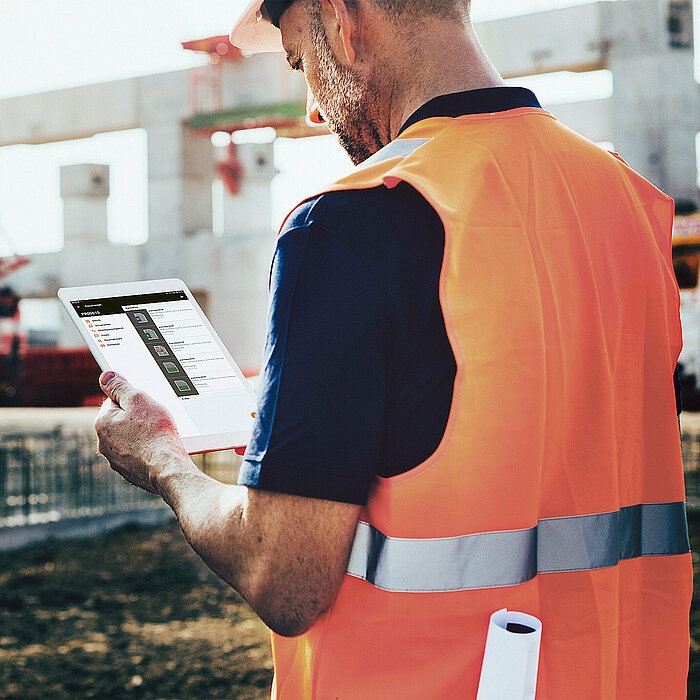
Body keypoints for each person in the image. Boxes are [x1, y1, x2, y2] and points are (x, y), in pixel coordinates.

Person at [94, 0, 693, 697]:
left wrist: (164, 460)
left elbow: (284, 577)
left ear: (341, 22)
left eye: (300, 61)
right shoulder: (624, 198)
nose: (314, 110)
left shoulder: (349, 227)